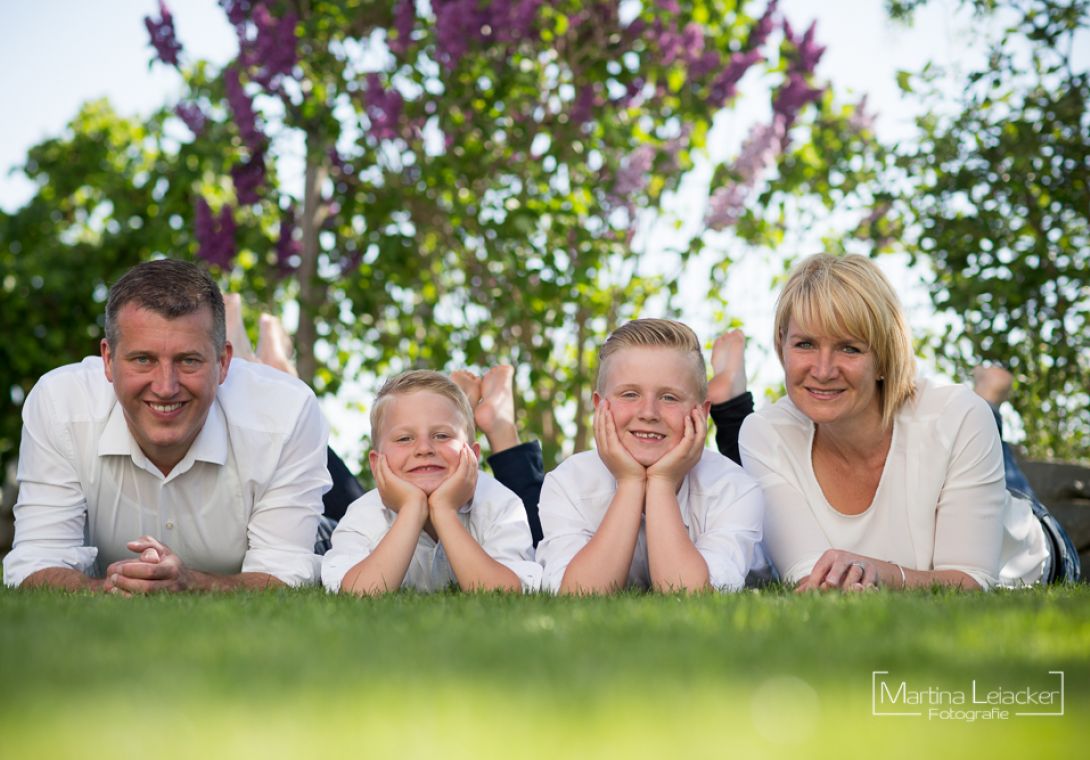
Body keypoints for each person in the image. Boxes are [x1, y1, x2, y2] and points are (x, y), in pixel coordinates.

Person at [736, 253, 1078, 591]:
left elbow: (970, 582)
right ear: (782, 345)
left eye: (850, 348)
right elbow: (812, 578)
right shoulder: (765, 434)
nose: (823, 371)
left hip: (1029, 559)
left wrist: (876, 573)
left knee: (988, 435)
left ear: (885, 358)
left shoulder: (956, 416)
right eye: (805, 344)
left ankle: (989, 398)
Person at [2, 260, 331, 592]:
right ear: (108, 360)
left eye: (188, 360)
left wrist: (190, 583)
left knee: (341, 553)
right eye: (143, 359)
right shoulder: (60, 405)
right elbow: (36, 560)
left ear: (222, 363)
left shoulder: (289, 413)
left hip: (318, 528)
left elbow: (287, 572)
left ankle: (273, 358)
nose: (165, 387)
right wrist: (106, 590)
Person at [535, 319, 765, 594]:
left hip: (757, 533)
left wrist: (662, 482)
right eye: (630, 394)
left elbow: (688, 593)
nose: (648, 413)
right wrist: (630, 482)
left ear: (702, 413)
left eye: (669, 398)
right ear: (599, 406)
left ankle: (730, 395)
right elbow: (579, 593)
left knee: (749, 454)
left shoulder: (735, 488)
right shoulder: (568, 483)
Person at [321, 371, 540, 594]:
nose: (424, 448)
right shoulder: (363, 515)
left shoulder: (499, 505)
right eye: (404, 438)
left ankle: (482, 409)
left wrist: (444, 510)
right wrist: (412, 509)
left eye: (442, 436)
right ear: (377, 463)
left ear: (473, 456)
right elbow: (358, 594)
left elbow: (502, 593)